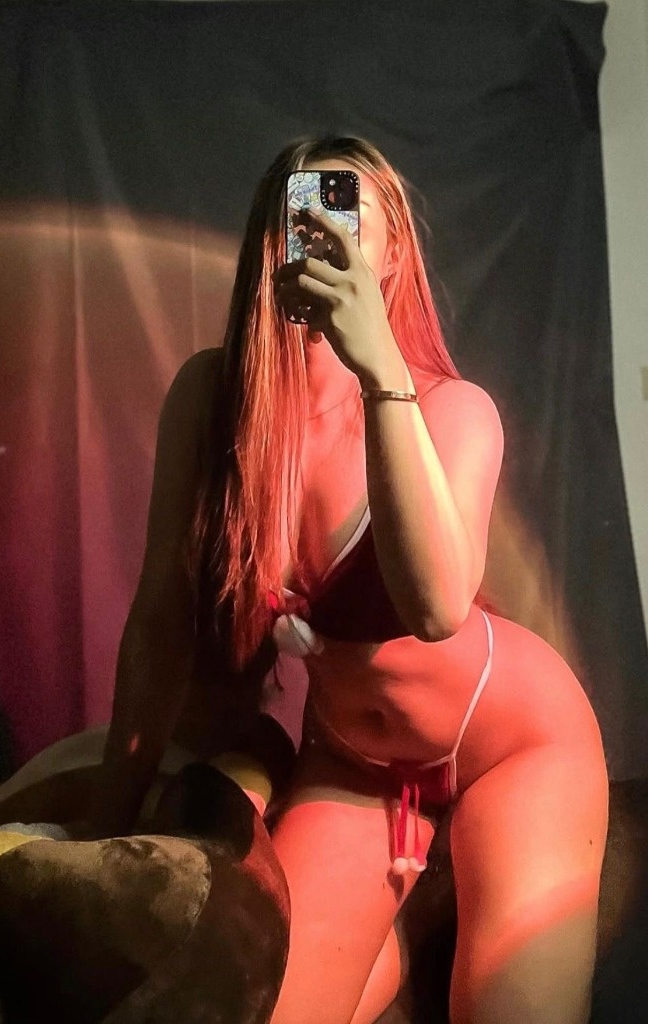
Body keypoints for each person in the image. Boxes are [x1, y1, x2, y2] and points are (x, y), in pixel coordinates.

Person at [88, 134, 608, 1024]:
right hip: (354, 764)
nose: (321, 237)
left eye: (347, 215)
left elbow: (436, 608)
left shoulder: (452, 408)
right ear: (269, 241)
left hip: (513, 745)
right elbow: (159, 625)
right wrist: (103, 824)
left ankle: (419, 917)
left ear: (392, 254)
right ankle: (402, 929)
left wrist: (381, 376)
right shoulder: (212, 403)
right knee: (261, 1009)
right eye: (301, 213)